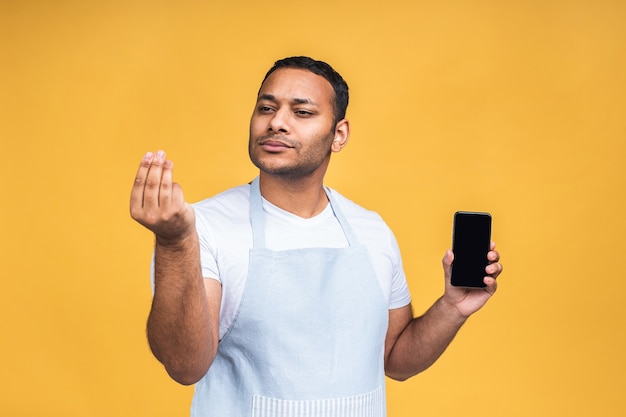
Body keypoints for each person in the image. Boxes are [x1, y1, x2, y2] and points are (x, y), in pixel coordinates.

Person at [130, 56, 503, 416]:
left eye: (302, 112)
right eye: (266, 108)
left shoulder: (371, 231)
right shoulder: (204, 227)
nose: (277, 123)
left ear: (338, 135)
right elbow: (184, 366)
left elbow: (395, 360)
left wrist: (451, 309)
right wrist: (174, 243)